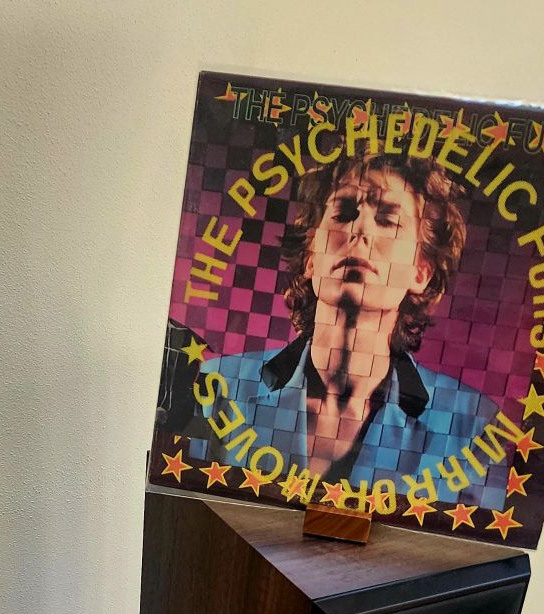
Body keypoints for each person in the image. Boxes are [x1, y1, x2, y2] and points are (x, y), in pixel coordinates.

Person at [184, 142, 503, 506]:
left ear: (421, 272)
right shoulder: (219, 389)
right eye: (343, 212)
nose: (360, 230)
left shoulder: (471, 427)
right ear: (309, 259)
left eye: (388, 219)